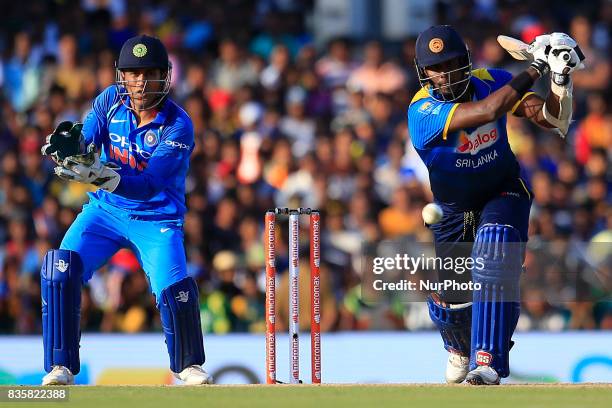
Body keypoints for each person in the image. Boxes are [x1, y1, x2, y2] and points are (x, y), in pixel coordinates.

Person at [407, 25, 583, 385]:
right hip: (453, 208)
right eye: (436, 67)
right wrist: (536, 67)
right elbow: (487, 112)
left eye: (452, 63)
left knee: (495, 246)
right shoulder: (421, 111)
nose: (445, 74)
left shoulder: (494, 80)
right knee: (454, 304)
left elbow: (550, 118)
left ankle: (486, 361)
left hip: (502, 189)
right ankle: (459, 348)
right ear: (423, 71)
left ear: (467, 61)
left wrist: (560, 78)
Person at [39, 35, 211, 385]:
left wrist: (102, 174)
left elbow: (148, 185)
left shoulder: (178, 124)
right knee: (60, 268)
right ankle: (60, 366)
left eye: (149, 73)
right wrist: (74, 148)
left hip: (156, 217)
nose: (141, 82)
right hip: (104, 213)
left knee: (173, 288)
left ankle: (187, 365)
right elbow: (88, 137)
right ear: (122, 75)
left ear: (165, 75)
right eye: (133, 74)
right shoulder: (110, 101)